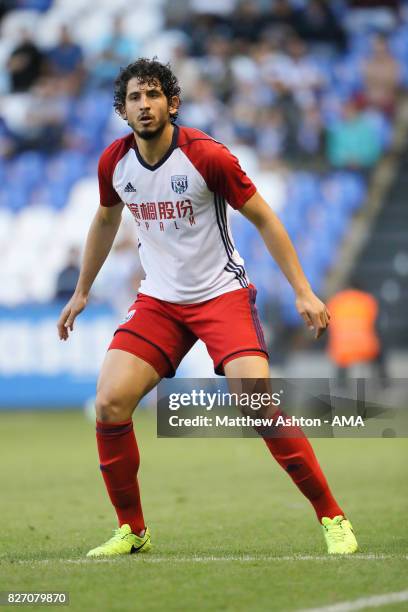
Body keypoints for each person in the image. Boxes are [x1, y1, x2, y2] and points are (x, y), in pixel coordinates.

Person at [57, 58, 358, 558]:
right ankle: (133, 530)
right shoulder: (114, 162)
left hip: (222, 295)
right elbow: (107, 220)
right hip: (159, 301)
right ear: (122, 110)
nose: (145, 105)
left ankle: (332, 516)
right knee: (110, 403)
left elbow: (265, 218)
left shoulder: (206, 156)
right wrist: (82, 290)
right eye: (135, 98)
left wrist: (303, 290)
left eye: (153, 95)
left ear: (172, 103)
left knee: (256, 403)